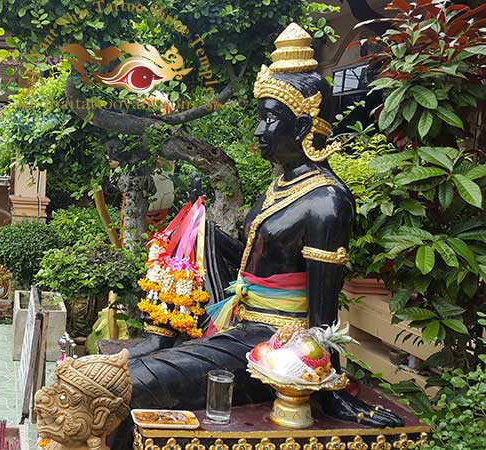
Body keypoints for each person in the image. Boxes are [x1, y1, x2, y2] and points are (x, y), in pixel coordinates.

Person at [110, 24, 402, 450]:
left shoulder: (326, 201)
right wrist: (196, 237)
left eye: (270, 119)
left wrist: (329, 388)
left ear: (302, 126)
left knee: (124, 384)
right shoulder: (278, 188)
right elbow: (253, 261)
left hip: (275, 350)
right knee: (106, 365)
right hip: (239, 330)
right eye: (260, 118)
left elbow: (322, 317)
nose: (260, 131)